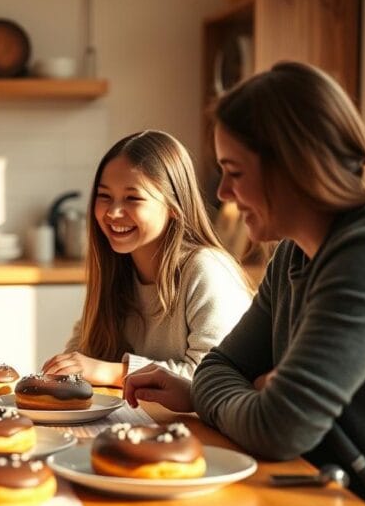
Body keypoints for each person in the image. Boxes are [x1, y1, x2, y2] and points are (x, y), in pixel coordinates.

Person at [124, 62, 365, 506]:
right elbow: (221, 368)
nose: (221, 193)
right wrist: (231, 391)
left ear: (294, 167)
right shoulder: (295, 253)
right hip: (341, 503)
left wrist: (240, 397)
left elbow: (281, 427)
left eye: (234, 172)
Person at [41, 130, 251, 386]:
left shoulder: (207, 268)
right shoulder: (115, 271)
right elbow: (80, 358)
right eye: (104, 196)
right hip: (141, 423)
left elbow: (215, 377)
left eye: (133, 198)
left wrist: (113, 372)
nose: (113, 212)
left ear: (174, 207)